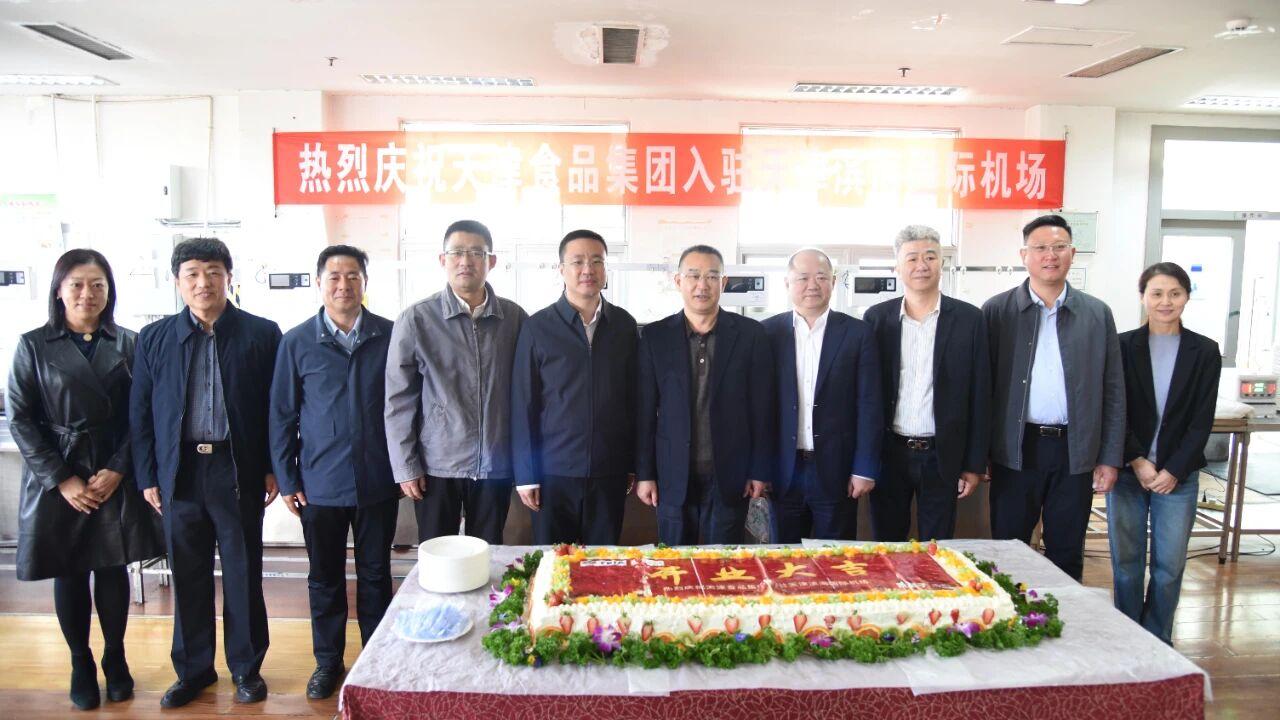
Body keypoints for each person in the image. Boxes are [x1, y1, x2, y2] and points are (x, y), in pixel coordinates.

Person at [8, 249, 164, 710]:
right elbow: (21, 419)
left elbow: (144, 413)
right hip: (60, 475)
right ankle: (80, 661)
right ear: (58, 290)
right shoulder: (33, 345)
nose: (87, 293)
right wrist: (61, 479)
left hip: (112, 469)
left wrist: (119, 468)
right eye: (76, 284)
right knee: (70, 570)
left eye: (97, 284)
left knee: (113, 566)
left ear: (109, 291)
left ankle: (116, 656)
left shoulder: (131, 342)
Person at [130, 237, 281, 708]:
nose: (203, 282)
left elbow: (277, 410)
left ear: (228, 277)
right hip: (180, 473)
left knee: (242, 572)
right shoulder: (154, 338)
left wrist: (273, 467)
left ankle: (246, 669)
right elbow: (140, 414)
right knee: (188, 574)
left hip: (236, 469)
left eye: (213, 272)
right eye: (192, 273)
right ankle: (193, 671)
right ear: (177, 281)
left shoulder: (262, 334)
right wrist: (148, 475)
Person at [269, 245, 399, 699]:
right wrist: (288, 479)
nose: (344, 285)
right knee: (324, 578)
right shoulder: (297, 342)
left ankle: (375, 660)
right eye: (334, 277)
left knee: (376, 575)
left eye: (353, 276)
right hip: (319, 485)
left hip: (377, 481)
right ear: (320, 282)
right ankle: (327, 662)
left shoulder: (390, 335)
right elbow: (282, 416)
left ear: (365, 282)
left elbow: (408, 406)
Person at [983, 214, 1124, 581]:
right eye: (1041, 247)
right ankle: (1008, 613)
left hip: (1074, 450)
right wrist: (979, 455)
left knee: (1067, 549)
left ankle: (1065, 615)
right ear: (1024, 255)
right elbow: (981, 390)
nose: (1050, 255)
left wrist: (1109, 457)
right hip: (1015, 449)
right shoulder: (997, 311)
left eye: (1059, 247)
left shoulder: (1097, 314)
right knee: (1008, 549)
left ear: (1072, 254)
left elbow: (1113, 390)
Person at [385, 220, 527, 544]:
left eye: (476, 253)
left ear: (491, 261)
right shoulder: (417, 319)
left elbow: (527, 396)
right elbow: (398, 401)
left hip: (495, 464)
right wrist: (406, 466)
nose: (466, 261)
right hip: (436, 465)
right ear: (443, 260)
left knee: (488, 553)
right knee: (437, 555)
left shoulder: (514, 318)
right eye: (457, 252)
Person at [1109, 262, 1221, 644]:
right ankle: (1129, 638)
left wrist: (1173, 469)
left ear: (1187, 296)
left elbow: (1201, 420)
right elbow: (1115, 409)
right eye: (1156, 293)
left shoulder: (1204, 351)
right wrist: (1137, 460)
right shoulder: (1122, 346)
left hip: (1178, 476)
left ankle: (1158, 640)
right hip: (1129, 473)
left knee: (1169, 566)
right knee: (1126, 564)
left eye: (1175, 293)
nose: (1165, 302)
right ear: (1143, 297)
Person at [635, 245, 775, 545]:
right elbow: (644, 412)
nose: (702, 285)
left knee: (722, 563)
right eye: (693, 276)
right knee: (674, 563)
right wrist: (645, 473)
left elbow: (763, 409)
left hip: (730, 475)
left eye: (712, 276)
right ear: (678, 281)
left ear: (723, 283)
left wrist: (759, 470)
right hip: (672, 475)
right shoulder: (655, 337)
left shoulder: (751, 335)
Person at [864, 226, 991, 541]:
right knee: (887, 544)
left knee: (937, 545)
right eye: (912, 258)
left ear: (941, 263)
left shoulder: (970, 320)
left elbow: (981, 394)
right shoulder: (876, 319)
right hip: (889, 453)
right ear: (897, 267)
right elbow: (865, 394)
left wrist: (974, 463)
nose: (921, 265)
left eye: (930, 257)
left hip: (942, 455)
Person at [511, 229, 638, 544]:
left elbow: (635, 401)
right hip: (553, 473)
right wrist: (526, 475)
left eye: (597, 261)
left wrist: (633, 463)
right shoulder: (537, 327)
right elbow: (523, 404)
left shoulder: (623, 325)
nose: (587, 270)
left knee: (603, 562)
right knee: (554, 562)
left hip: (609, 471)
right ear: (561, 269)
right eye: (578, 261)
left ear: (605, 269)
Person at [762, 247, 881, 543]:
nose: (812, 285)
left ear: (833, 281)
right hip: (783, 469)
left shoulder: (858, 333)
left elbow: (869, 405)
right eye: (803, 278)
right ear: (787, 283)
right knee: (784, 558)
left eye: (821, 277)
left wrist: (864, 468)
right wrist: (759, 470)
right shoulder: (766, 333)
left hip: (837, 469)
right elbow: (758, 408)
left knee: (836, 556)